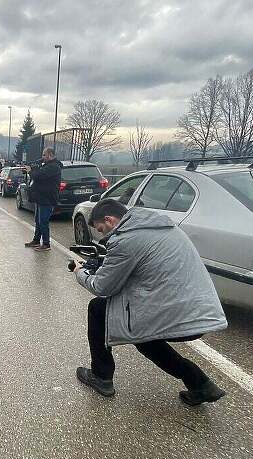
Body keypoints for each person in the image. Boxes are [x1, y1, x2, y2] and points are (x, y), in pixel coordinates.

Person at [73, 198, 228, 406]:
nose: (103, 235)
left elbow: (103, 287)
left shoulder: (126, 240)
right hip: (201, 310)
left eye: (101, 230)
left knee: (99, 308)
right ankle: (200, 384)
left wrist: (80, 271)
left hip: (178, 314)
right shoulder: (160, 225)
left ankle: (101, 376)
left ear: (109, 220)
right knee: (142, 336)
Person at [24, 147, 62, 252]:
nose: (43, 157)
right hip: (41, 198)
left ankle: (46, 244)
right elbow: (39, 175)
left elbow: (39, 176)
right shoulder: (47, 165)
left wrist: (31, 171)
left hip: (47, 199)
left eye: (44, 155)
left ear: (50, 155)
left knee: (43, 222)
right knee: (38, 221)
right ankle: (36, 240)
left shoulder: (54, 167)